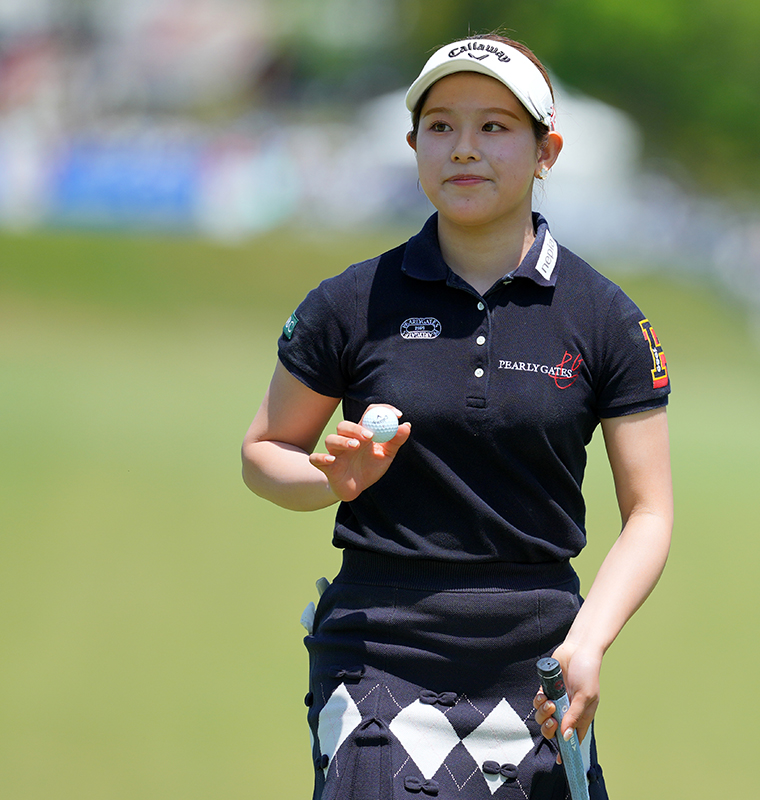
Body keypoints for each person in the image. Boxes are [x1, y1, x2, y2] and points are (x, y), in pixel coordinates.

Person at [241, 33, 673, 800]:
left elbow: (649, 512)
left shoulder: (605, 318)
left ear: (547, 152)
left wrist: (589, 642)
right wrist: (330, 479)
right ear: (414, 146)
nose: (464, 148)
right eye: (441, 126)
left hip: (536, 666)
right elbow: (265, 451)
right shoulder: (349, 302)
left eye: (494, 127)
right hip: (377, 653)